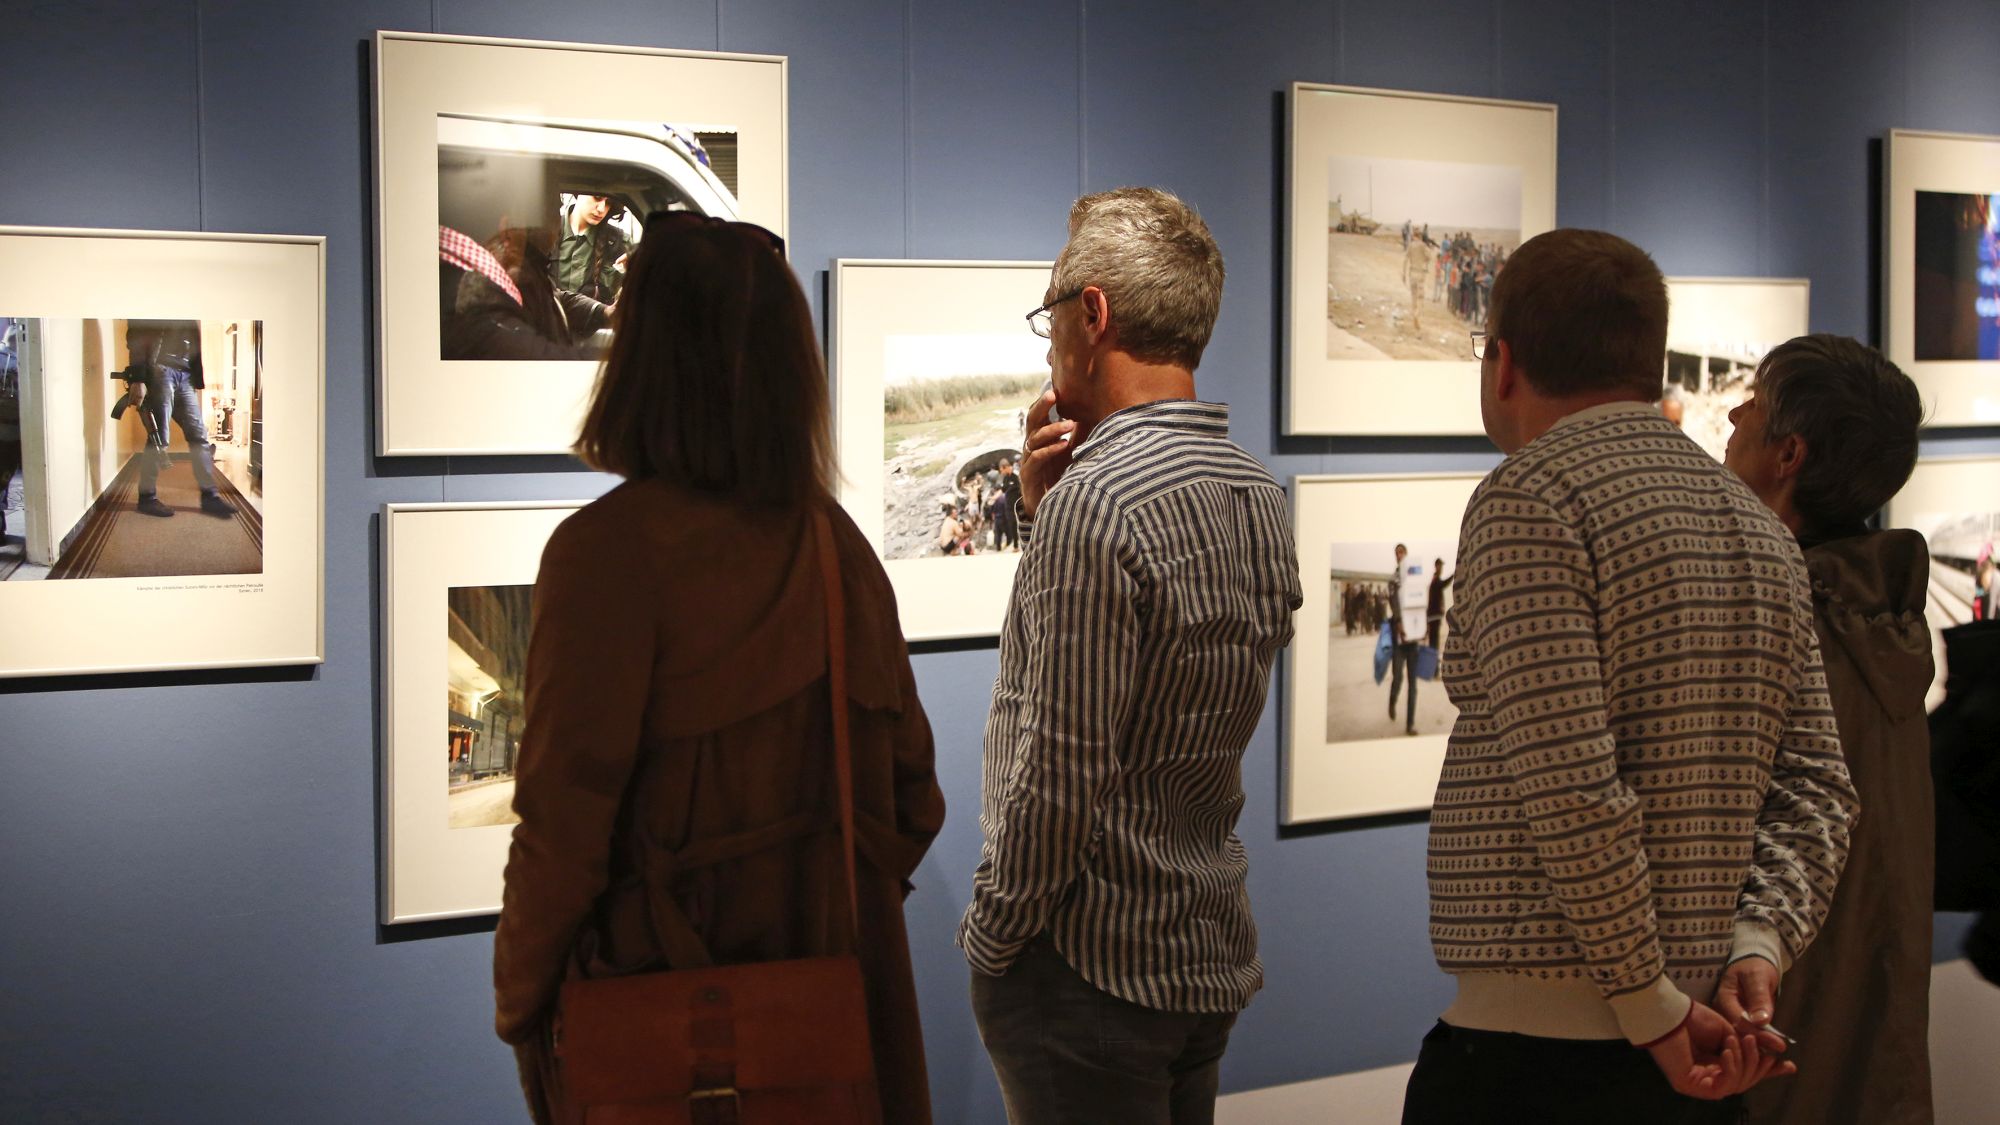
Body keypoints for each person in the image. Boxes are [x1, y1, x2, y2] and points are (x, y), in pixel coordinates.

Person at [491, 212, 947, 1125]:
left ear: (647, 360)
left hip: (666, 1034)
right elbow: (913, 801)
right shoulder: (837, 545)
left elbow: (562, 829)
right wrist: (805, 901)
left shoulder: (605, 555)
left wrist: (521, 1001)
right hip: (828, 1040)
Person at [1403, 229, 1860, 1125]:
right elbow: (1817, 788)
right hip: (1697, 1047)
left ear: (1503, 363)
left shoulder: (1530, 499)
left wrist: (1650, 1004)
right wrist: (1756, 946)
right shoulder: (1758, 527)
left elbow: (1575, 788)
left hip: (1542, 1061)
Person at [959, 187, 1302, 1124]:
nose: (1050, 344)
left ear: (1094, 315)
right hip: (1200, 944)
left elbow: (1062, 771)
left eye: (1051, 317)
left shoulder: (1098, 503)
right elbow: (1168, 709)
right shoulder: (1257, 494)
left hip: (1085, 968)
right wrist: (1040, 513)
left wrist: (994, 934)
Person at [1720, 334, 1934, 1125]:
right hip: (1870, 1023)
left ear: (1789, 452)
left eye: (1757, 402)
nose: (1736, 413)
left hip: (1772, 1017)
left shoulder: (1786, 621)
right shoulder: (1883, 617)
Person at [116, 321, 233, 520]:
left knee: (199, 435)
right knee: (158, 437)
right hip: (160, 369)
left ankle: (210, 497)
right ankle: (147, 498)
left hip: (186, 374)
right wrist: (138, 378)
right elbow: (136, 335)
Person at [551, 193, 630, 305]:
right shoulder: (546, 233)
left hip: (594, 319)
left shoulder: (617, 241)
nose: (601, 209)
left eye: (608, 203)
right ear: (578, 194)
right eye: (597, 198)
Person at [1385, 543, 1423, 735]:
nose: (1399, 556)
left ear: (1407, 554)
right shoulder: (1393, 580)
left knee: (1413, 684)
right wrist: (1399, 623)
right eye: (1397, 553)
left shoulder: (1415, 577)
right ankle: (1392, 701)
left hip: (1414, 637)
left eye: (1402, 552)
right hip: (1399, 637)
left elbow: (1420, 601)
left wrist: (1423, 627)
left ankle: (1410, 724)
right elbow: (1394, 603)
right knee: (1398, 678)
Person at [1424, 556, 1452, 650]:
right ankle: (1433, 661)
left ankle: (1433, 660)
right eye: (1440, 566)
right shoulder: (1436, 579)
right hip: (1434, 615)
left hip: (1433, 615)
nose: (1442, 568)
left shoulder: (1435, 579)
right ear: (1436, 566)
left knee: (1433, 640)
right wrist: (1453, 575)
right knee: (1434, 641)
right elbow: (1443, 584)